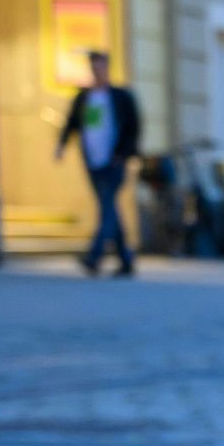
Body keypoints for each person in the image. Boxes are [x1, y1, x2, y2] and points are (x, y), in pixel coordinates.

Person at [53, 50, 142, 277]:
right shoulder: (84, 97)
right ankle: (126, 260)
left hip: (114, 160)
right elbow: (72, 122)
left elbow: (133, 128)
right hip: (92, 160)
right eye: (94, 67)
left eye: (100, 66)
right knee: (109, 206)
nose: (97, 71)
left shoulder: (120, 96)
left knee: (107, 206)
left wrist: (123, 154)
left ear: (107, 68)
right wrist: (61, 145)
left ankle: (94, 256)